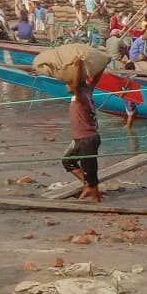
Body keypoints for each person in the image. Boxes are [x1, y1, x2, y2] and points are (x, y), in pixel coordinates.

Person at [63, 57, 104, 202]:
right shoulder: (88, 90)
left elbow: (75, 83)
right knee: (67, 161)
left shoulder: (79, 94)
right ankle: (88, 185)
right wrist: (103, 64)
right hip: (85, 138)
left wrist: (78, 66)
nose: (66, 86)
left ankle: (97, 200)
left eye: (68, 83)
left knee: (91, 174)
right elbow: (96, 78)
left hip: (86, 139)